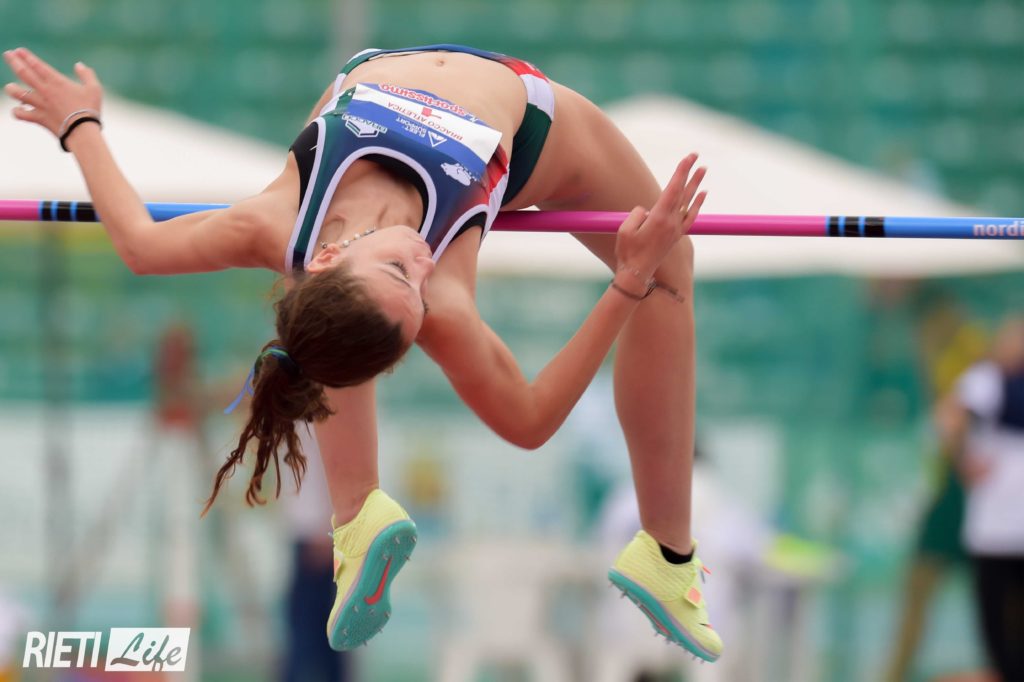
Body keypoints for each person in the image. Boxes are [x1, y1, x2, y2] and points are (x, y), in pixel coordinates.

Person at [3, 44, 718, 660]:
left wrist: (80, 123)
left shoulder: (278, 224)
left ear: (335, 253)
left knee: (322, 302)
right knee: (671, 267)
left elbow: (139, 243)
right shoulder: (444, 293)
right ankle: (666, 551)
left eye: (400, 270)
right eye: (418, 292)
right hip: (526, 121)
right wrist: (629, 280)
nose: (422, 264)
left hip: (368, 78)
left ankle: (355, 517)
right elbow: (529, 420)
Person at [938, 316, 1024, 681]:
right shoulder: (987, 381)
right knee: (997, 626)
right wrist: (963, 460)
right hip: (996, 528)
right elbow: (951, 417)